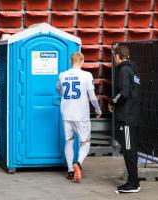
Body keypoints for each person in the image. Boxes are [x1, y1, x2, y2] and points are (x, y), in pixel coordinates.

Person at [56, 52, 102, 183]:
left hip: (66, 113)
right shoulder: (87, 75)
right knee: (85, 142)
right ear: (82, 62)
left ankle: (70, 170)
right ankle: (79, 163)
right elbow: (92, 97)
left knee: (69, 141)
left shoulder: (62, 75)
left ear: (71, 61)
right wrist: (98, 110)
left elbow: (58, 89)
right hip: (81, 115)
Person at [108, 45, 141, 193]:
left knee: (128, 151)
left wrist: (112, 101)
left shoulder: (123, 70)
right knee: (131, 150)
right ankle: (134, 181)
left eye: (114, 57)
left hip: (127, 117)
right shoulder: (134, 70)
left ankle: (133, 184)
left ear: (117, 56)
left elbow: (124, 93)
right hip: (133, 115)